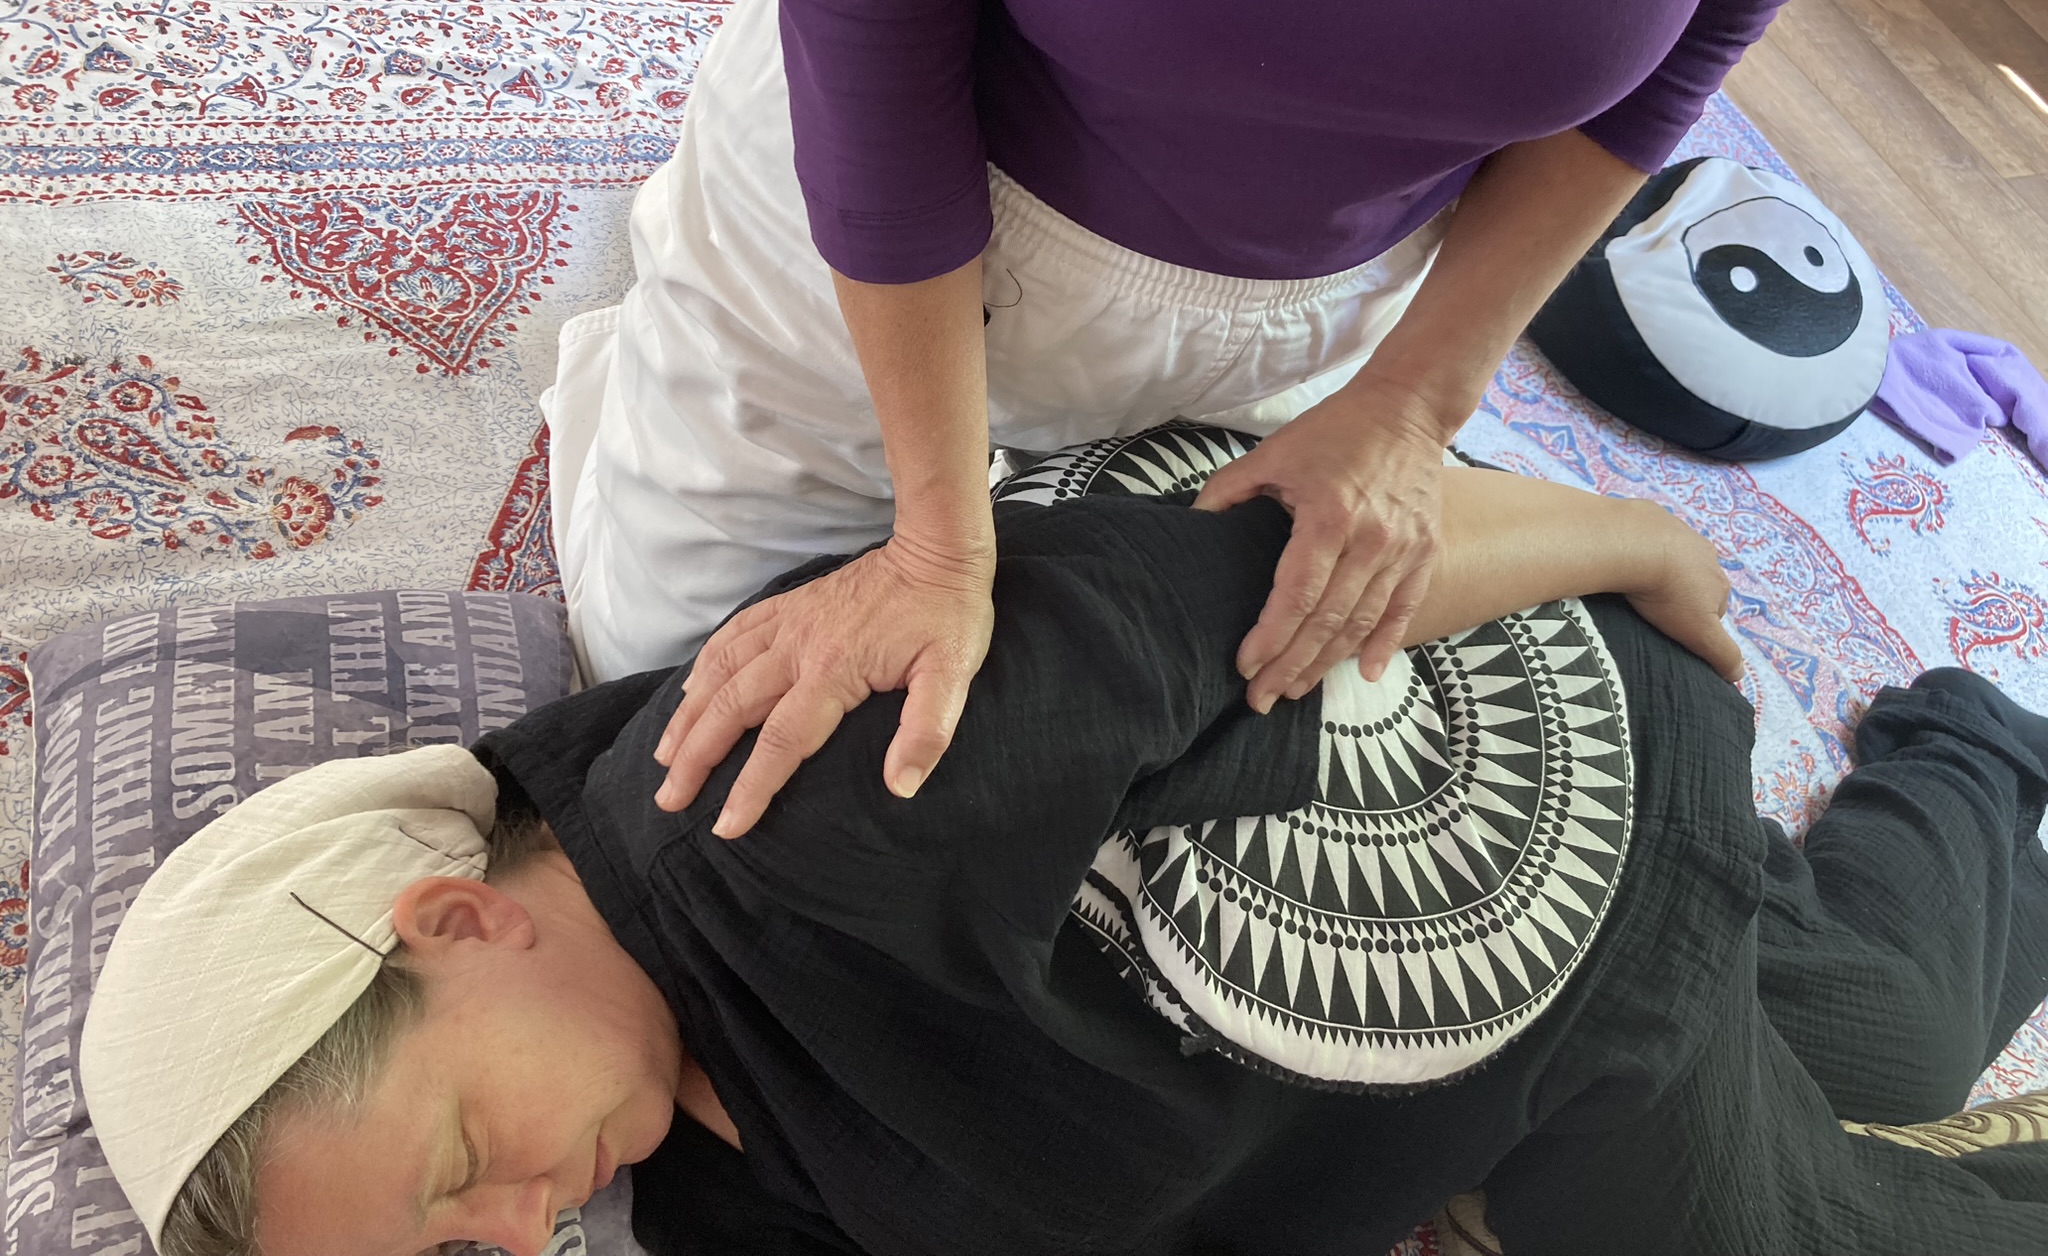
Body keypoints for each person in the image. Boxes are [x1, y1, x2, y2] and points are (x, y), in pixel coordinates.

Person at [547, 0, 1996, 837]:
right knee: (662, 740)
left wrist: (1414, 408)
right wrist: (937, 542)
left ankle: (1626, 532)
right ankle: (672, 335)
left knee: (1146, 767)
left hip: (1334, 298)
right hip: (902, 199)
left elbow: (1692, 40)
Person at [83, 469, 2048, 1256]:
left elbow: (1273, 567)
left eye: (459, 1168)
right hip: (1398, 1017)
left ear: (452, 919)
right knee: (1883, 1038)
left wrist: (1652, 549)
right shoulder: (671, 1138)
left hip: (1541, 842)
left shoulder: (808, 794)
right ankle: (1978, 739)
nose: (526, 1236)